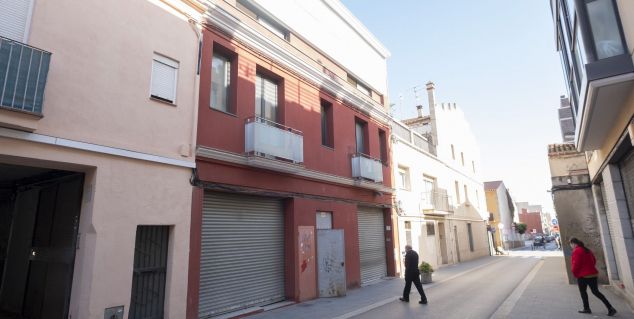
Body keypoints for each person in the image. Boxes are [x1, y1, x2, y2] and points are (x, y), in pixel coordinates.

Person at [570, 238, 617, 316]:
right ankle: (610, 308)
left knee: (583, 292)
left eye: (571, 244)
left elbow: (576, 265)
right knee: (596, 292)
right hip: (593, 274)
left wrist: (575, 273)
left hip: (583, 276)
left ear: (574, 244)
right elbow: (594, 260)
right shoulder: (587, 250)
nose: (571, 246)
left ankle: (586, 308)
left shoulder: (577, 251)